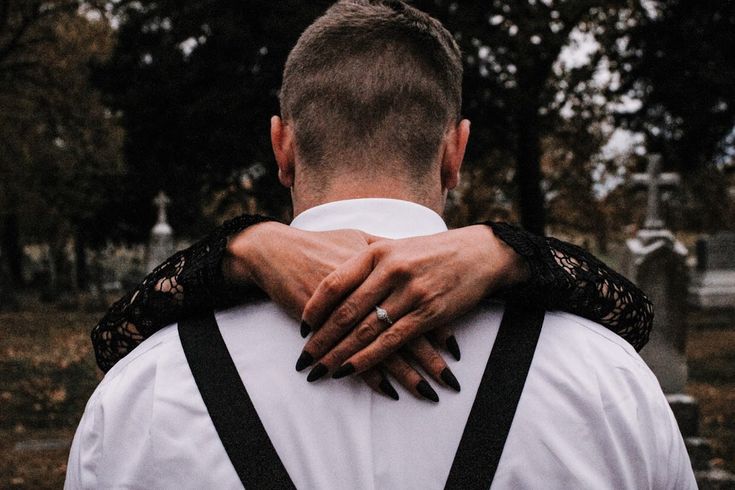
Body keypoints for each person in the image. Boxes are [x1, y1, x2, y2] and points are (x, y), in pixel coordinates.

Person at [66, 1, 694, 488]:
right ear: (456, 152)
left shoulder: (139, 393)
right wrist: (510, 251)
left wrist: (240, 246)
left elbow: (118, 343)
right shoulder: (608, 381)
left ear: (282, 148)